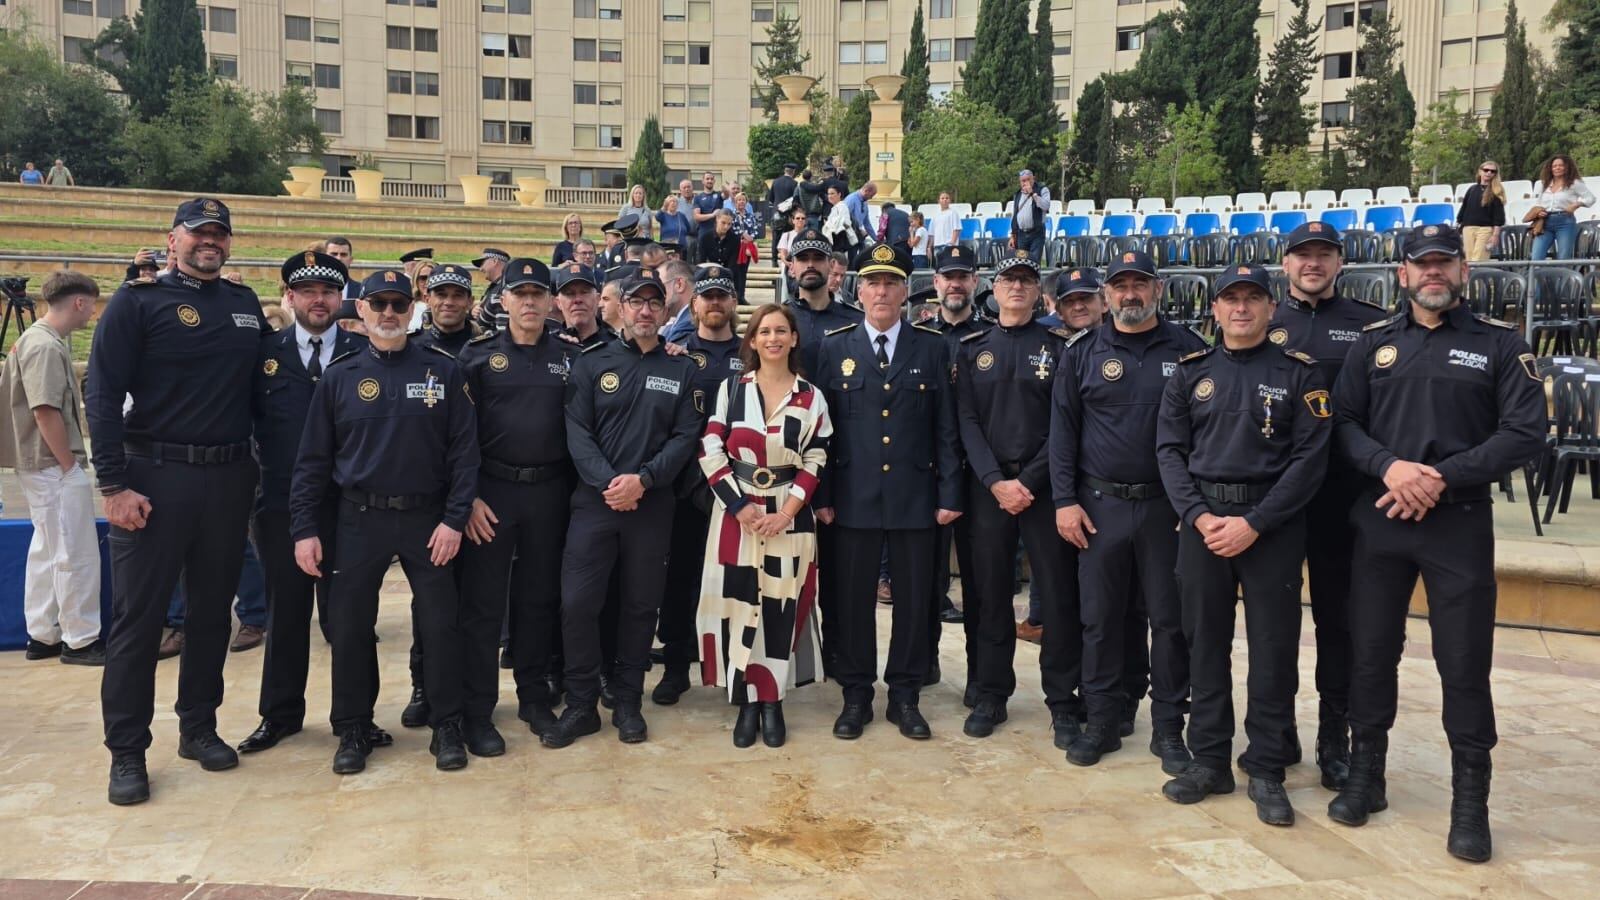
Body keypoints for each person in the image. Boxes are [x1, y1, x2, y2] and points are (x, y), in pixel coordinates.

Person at [1330, 224, 1545, 862]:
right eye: (1420, 265)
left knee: (1464, 665)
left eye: (1443, 265)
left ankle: (1469, 805)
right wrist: (1390, 469)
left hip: (1459, 523)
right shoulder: (1373, 346)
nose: (1432, 274)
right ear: (1402, 275)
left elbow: (1526, 432)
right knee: (1370, 654)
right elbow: (1342, 423)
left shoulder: (1503, 345)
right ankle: (1366, 778)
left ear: (1462, 274)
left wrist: (1440, 477)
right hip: (1381, 517)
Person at [87, 198, 267, 805]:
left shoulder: (244, 306)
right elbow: (104, 397)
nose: (209, 242)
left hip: (227, 479)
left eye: (219, 234)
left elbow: (264, 394)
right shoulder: (137, 305)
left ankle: (198, 726)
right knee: (138, 623)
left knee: (213, 616)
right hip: (153, 480)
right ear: (172, 240)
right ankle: (128, 752)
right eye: (198, 233)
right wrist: (112, 486)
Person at [1155, 265, 1331, 825]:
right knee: (1203, 642)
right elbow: (1169, 452)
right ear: (1215, 309)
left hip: (1270, 526)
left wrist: (1255, 521)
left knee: (1273, 650)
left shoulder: (1301, 374)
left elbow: (1310, 461)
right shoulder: (1189, 374)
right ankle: (1208, 758)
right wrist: (1199, 515)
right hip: (1205, 523)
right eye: (1231, 298)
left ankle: (1267, 766)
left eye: (1253, 298)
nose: (1241, 308)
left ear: (1270, 308)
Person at [291, 269, 479, 775]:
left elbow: (465, 454)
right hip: (359, 517)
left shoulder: (443, 371)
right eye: (380, 305)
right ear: (363, 311)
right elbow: (312, 461)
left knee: (440, 625)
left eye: (399, 304)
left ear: (413, 309)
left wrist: (455, 520)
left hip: (429, 518)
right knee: (350, 627)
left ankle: (447, 724)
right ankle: (353, 727)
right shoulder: (340, 377)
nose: (390, 314)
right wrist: (304, 529)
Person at [1052, 252, 1206, 770]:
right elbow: (1063, 434)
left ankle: (1167, 727)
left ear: (1158, 290)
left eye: (1140, 284)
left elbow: (1205, 435)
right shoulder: (1082, 352)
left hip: (1169, 509)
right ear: (1106, 297)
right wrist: (1065, 501)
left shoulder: (1188, 350)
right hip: (1100, 507)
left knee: (1168, 621)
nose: (1130, 294)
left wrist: (1195, 503)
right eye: (1120, 287)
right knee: (1098, 620)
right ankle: (1101, 721)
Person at [543, 267, 701, 748]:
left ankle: (629, 702)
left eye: (655, 302)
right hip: (595, 503)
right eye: (637, 302)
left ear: (665, 309)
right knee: (578, 604)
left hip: (652, 507)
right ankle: (581, 704)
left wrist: (645, 480)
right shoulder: (593, 363)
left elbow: (685, 436)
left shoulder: (682, 368)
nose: (646, 310)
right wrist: (611, 482)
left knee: (638, 606)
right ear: (622, 307)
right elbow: (578, 431)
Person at [814, 242, 962, 741]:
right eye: (873, 282)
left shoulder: (933, 347)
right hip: (852, 498)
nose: (881, 291)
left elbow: (946, 429)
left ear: (905, 292)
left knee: (917, 601)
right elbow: (823, 432)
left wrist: (949, 494)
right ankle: (855, 694)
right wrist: (823, 496)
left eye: (891, 282)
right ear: (858, 290)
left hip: (915, 496)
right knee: (853, 600)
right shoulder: (834, 347)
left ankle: (905, 695)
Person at [1267, 221, 1389, 790]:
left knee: (1338, 623)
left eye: (1323, 255)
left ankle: (1333, 737)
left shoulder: (1368, 325)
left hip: (1343, 498)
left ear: (1340, 262)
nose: (1312, 264)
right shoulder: (1261, 321)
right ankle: (1279, 727)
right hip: (1278, 500)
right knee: (1276, 622)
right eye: (1302, 256)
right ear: (1285, 264)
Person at [237, 251, 372, 755]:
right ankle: (280, 714)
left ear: (341, 298)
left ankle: (354, 718)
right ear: (289, 297)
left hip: (350, 506)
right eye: (309, 291)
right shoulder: (263, 354)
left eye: (329, 292)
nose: (320, 300)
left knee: (351, 618)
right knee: (286, 613)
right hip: (281, 506)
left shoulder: (362, 352)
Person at [953, 249, 1077, 740]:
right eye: (1010, 280)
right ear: (995, 287)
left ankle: (1063, 701)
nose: (1018, 288)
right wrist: (994, 481)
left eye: (1027, 280)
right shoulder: (973, 345)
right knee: (988, 596)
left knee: (1059, 597)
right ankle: (990, 693)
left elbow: (1065, 424)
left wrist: (1028, 482)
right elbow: (966, 420)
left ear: (1037, 290)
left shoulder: (1060, 346)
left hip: (1043, 490)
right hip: (990, 490)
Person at [697, 303, 832, 747]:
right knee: (737, 603)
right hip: (737, 514)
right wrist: (738, 506)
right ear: (752, 340)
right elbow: (711, 447)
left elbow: (816, 457)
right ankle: (746, 701)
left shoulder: (811, 397)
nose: (773, 338)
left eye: (781, 331)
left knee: (780, 606)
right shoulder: (731, 389)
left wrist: (788, 511)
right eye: (764, 331)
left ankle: (772, 701)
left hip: (788, 515)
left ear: (794, 339)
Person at [453, 259, 575, 743]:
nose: (529, 302)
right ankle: (479, 711)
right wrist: (469, 497)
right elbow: (458, 436)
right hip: (493, 494)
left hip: (549, 492)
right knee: (483, 605)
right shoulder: (477, 356)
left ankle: (533, 699)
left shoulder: (570, 357)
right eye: (519, 293)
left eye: (537, 294)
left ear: (551, 303)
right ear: (502, 301)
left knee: (538, 601)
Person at [653, 265, 746, 706]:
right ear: (693, 304)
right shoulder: (674, 352)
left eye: (722, 296)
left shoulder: (751, 355)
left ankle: (734, 666)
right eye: (706, 296)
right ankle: (675, 665)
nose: (713, 303)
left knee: (734, 580)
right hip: (684, 483)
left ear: (733, 304)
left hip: (738, 489)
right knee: (680, 577)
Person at [0, 270, 102, 665]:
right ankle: (80, 639)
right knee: (72, 552)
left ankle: (42, 633)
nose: (92, 312)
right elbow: (45, 411)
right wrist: (68, 466)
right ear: (78, 302)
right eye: (91, 304)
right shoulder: (44, 346)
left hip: (38, 463)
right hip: (51, 464)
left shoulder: (34, 340)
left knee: (46, 548)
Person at [924, 246, 989, 697]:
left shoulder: (988, 338)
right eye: (948, 276)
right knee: (926, 582)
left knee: (981, 585)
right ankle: (923, 663)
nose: (955, 284)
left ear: (976, 281)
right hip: (927, 477)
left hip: (980, 477)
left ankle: (979, 678)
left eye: (963, 276)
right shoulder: (919, 338)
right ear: (936, 281)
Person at [1527, 155, 1595, 261]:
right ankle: (1540, 277)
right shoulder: (1545, 184)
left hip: (1565, 221)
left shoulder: (1574, 183)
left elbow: (1591, 198)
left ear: (1567, 167)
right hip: (1545, 222)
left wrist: (1577, 204)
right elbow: (1539, 202)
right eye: (1554, 166)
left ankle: (1562, 277)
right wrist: (1539, 212)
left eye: (1561, 165)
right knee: (1536, 256)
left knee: (1563, 258)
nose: (1557, 168)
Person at [415, 265, 480, 355]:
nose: (449, 302)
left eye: (458, 295)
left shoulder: (485, 350)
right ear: (427, 300)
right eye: (441, 295)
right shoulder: (411, 348)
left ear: (470, 302)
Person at [1456, 162, 1506, 262]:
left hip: (1485, 229)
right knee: (1468, 260)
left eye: (1492, 171)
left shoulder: (1496, 191)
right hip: (1468, 228)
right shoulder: (1472, 189)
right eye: (1486, 170)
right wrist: (1459, 225)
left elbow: (1498, 217)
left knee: (1478, 260)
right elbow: (1464, 208)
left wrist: (1495, 235)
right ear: (1480, 171)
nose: (1488, 173)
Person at [1009, 170, 1052, 260]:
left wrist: (1032, 194)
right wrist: (1013, 235)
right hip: (1021, 235)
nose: (1025, 183)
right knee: (1022, 263)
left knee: (1034, 262)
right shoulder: (1018, 194)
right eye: (1023, 181)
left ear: (1033, 179)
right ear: (1020, 182)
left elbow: (1046, 206)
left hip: (1036, 233)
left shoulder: (1042, 189)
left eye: (1028, 180)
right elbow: (1015, 215)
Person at [656, 259, 698, 345]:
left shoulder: (694, 322)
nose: (656, 295)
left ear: (679, 285)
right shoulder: (676, 323)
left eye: (659, 287)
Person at [472, 249, 511, 329]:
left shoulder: (507, 287)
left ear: (494, 261)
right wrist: (474, 311)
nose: (480, 269)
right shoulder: (495, 286)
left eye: (482, 263)